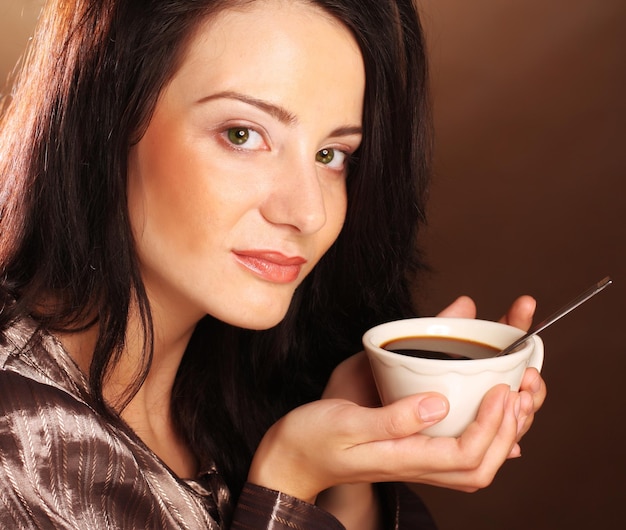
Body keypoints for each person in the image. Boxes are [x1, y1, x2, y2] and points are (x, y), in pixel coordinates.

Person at [0, 0, 547, 528]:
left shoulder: (243, 383)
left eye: (332, 155)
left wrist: (349, 470)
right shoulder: (16, 446)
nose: (309, 212)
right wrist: (287, 483)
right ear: (106, 119)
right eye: (242, 134)